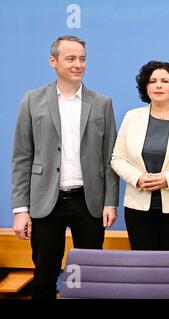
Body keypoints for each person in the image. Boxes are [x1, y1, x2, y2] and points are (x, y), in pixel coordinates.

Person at [11, 35, 119, 299]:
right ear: (53, 61)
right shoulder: (32, 100)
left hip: (88, 201)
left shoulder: (102, 103)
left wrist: (110, 202)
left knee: (90, 277)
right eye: (70, 59)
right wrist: (20, 209)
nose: (78, 64)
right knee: (45, 275)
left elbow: (110, 157)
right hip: (46, 202)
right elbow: (22, 157)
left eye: (82, 59)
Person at [111, 61, 169, 250]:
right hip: (138, 209)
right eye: (152, 81)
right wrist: (138, 178)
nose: (158, 85)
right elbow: (117, 158)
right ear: (146, 87)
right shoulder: (132, 117)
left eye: (164, 81)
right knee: (143, 269)